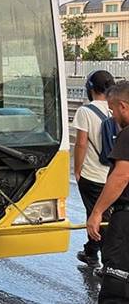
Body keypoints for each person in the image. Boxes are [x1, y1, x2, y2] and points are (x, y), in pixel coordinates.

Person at [88, 81, 129, 304]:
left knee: (116, 288)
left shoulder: (127, 134)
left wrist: (97, 212)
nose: (113, 116)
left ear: (123, 106)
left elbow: (122, 176)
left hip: (126, 222)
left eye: (113, 109)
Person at [73, 70, 115, 266]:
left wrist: (77, 170)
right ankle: (90, 251)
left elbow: (81, 143)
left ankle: (108, 264)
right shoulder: (116, 109)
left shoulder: (85, 111)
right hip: (112, 174)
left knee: (97, 215)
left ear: (90, 88)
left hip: (92, 175)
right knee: (100, 214)